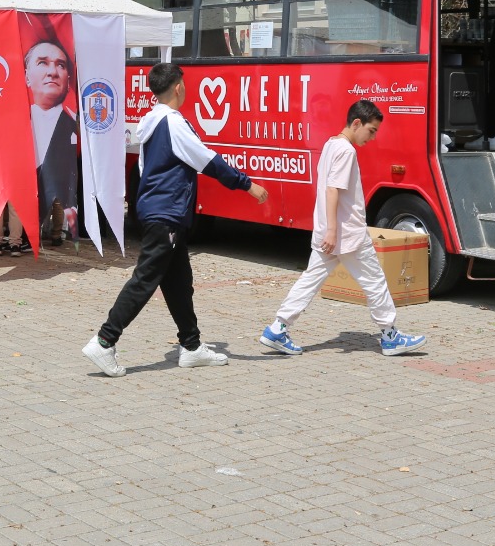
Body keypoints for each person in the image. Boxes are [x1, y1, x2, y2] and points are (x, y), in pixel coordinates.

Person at [83, 63, 269, 377]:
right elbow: (206, 159)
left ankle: (192, 346)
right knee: (145, 280)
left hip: (162, 212)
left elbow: (145, 170)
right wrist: (247, 184)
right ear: (179, 87)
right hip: (166, 213)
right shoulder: (172, 123)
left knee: (179, 283)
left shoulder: (150, 121)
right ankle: (104, 341)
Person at [259, 101, 428, 358]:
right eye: (371, 131)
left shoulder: (330, 145)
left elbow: (329, 188)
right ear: (357, 123)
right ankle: (390, 336)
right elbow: (333, 189)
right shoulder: (346, 151)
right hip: (347, 233)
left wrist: (328, 230)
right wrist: (333, 231)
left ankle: (278, 328)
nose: (372, 137)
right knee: (374, 281)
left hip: (332, 232)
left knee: (310, 280)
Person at [25, 38, 79, 247]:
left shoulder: (71, 123)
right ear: (26, 76)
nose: (53, 72)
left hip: (59, 179)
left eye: (60, 64)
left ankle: (56, 232)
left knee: (58, 199)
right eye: (42, 63)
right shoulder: (17, 121)